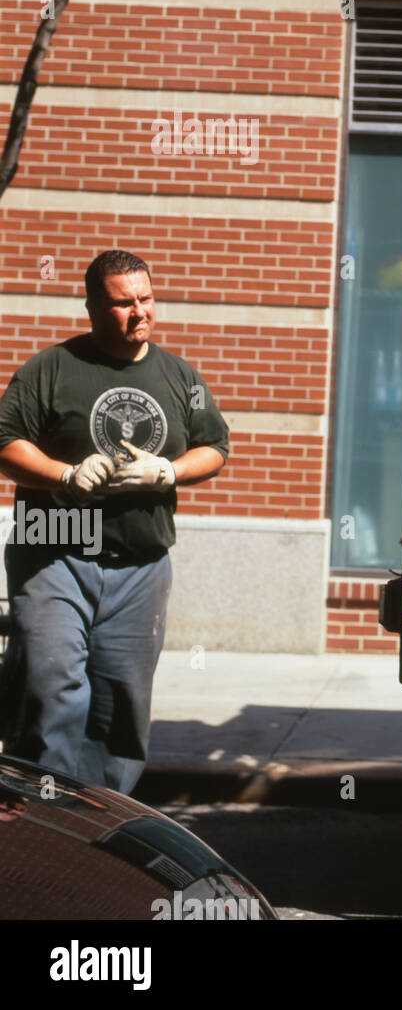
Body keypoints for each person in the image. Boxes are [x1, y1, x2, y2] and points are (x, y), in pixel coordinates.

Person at [0, 250, 228, 793]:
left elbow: (215, 447)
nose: (139, 312)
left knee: (120, 700)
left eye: (146, 299)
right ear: (93, 307)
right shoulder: (51, 368)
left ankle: (103, 818)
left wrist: (167, 472)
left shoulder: (180, 376)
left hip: (141, 562)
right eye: (124, 303)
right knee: (52, 686)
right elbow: (6, 443)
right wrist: (64, 476)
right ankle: (42, 816)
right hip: (55, 548)